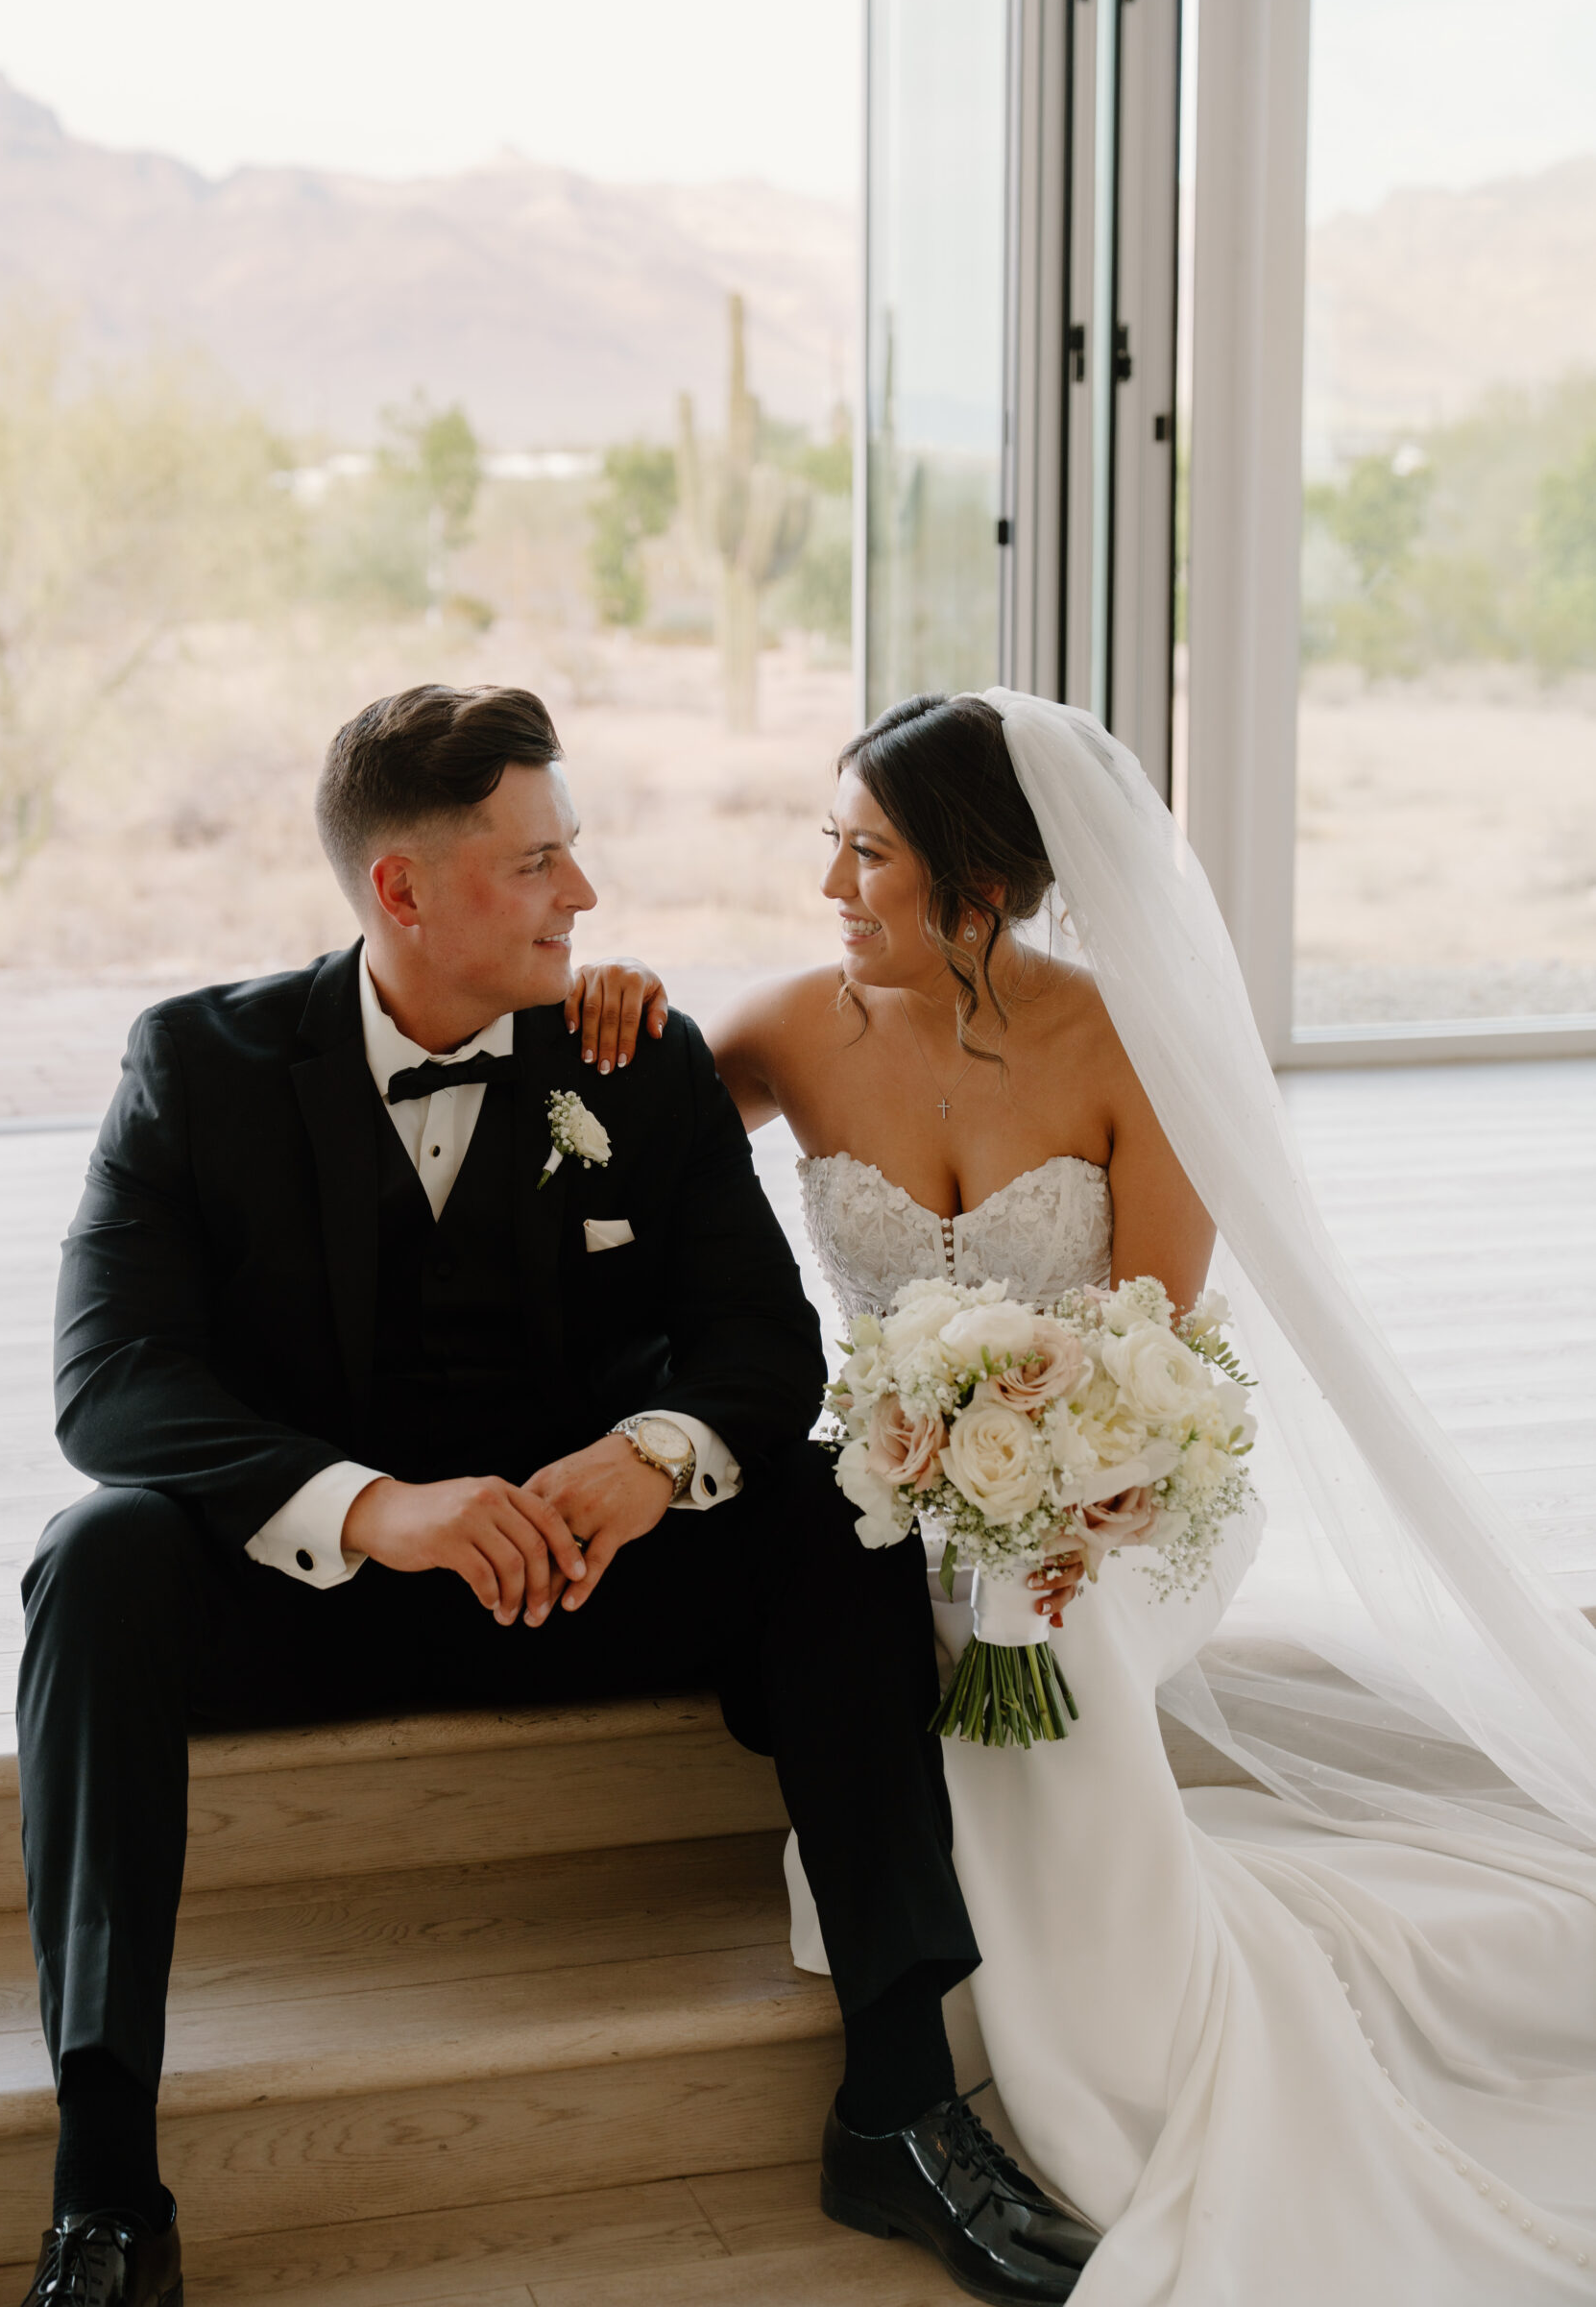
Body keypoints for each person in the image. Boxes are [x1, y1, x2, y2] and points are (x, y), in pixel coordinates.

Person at [17, 682, 1099, 2307]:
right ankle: (106, 2190)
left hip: (602, 1583)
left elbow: (761, 1341)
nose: (583, 895)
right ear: (403, 889)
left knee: (829, 1511)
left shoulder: (634, 1054)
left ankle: (901, 2102)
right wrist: (376, 1508)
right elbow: (110, 1382)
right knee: (94, 1559)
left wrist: (648, 1462)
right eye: (537, 864)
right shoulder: (198, 1064)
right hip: (323, 1602)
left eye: (574, 855)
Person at [577, 689, 1596, 2305]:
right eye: (830, 848)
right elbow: (610, 1145)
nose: (831, 889)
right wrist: (613, 1004)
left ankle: (1115, 2077)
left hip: (1129, 1490)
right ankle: (1049, 2062)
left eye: (869, 857)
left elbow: (1157, 1352)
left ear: (981, 887)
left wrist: (1074, 1503)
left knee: (1045, 1631)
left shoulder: (1132, 1044)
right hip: (900, 1483)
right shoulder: (785, 1026)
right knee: (921, 1611)